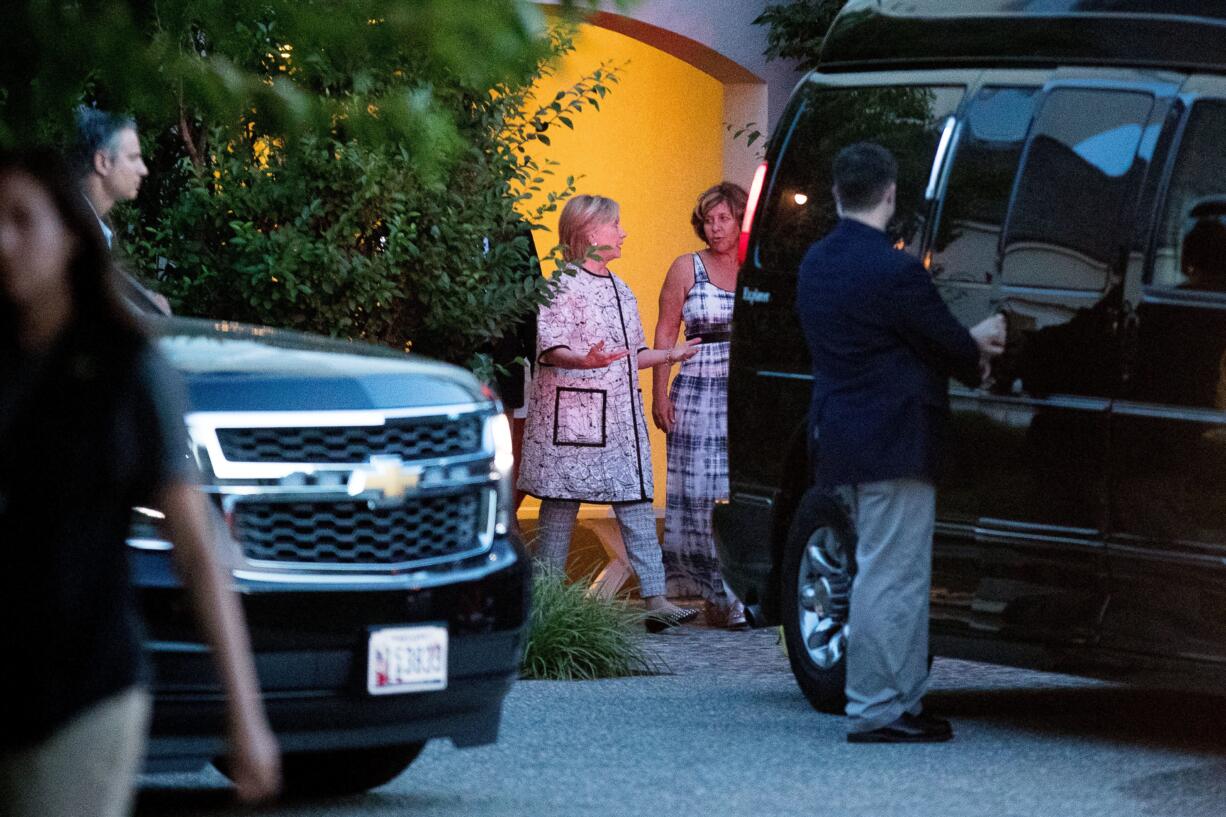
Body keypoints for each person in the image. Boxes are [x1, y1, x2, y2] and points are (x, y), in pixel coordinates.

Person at [0, 149, 281, 815]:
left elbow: (196, 547)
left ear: (69, 233)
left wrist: (246, 716)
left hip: (82, 693)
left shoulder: (125, 370)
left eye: (21, 219)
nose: (2, 240)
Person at [795, 143, 1006, 743]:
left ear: (837, 193)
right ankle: (880, 707)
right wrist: (981, 337)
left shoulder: (816, 263)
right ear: (889, 194)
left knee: (883, 571)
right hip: (897, 440)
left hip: (841, 435)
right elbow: (950, 346)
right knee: (893, 576)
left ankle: (901, 699)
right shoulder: (894, 270)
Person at [518, 194, 701, 631]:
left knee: (635, 503)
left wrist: (670, 354)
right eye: (615, 224)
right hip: (573, 420)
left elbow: (631, 354)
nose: (623, 232)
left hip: (619, 422)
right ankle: (543, 603)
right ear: (589, 233)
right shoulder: (560, 284)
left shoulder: (621, 288)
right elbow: (550, 346)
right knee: (560, 506)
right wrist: (582, 361)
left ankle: (655, 600)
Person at [652, 181, 749, 628]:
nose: (715, 227)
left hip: (743, 391)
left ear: (740, 218)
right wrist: (658, 394)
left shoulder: (754, 268)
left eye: (724, 218)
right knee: (700, 495)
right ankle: (718, 595)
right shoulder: (686, 267)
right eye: (709, 219)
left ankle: (735, 592)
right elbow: (665, 333)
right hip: (696, 386)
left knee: (736, 493)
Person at [73, 105, 170, 315]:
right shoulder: (74, 235)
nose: (143, 170)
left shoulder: (88, 226)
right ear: (103, 162)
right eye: (133, 158)